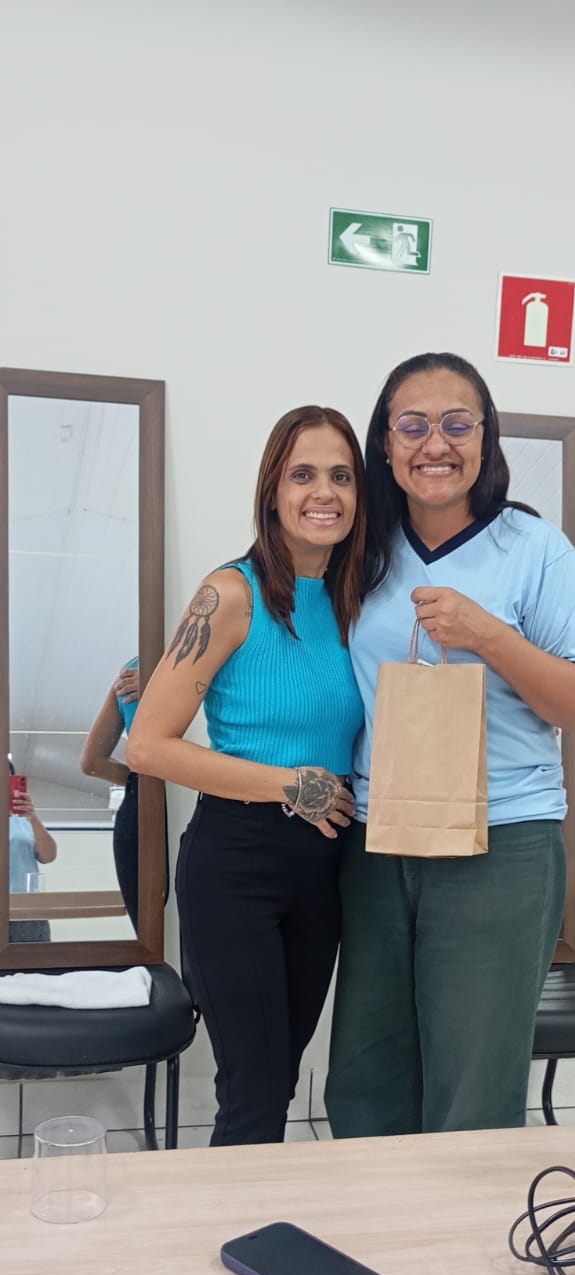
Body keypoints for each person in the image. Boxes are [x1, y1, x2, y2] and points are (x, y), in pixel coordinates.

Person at [325, 351, 575, 1138]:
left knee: (473, 1090)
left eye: (457, 424)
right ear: (384, 442)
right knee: (366, 1076)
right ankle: (376, 1214)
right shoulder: (360, 548)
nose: (435, 444)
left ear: (486, 439)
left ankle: (459, 1222)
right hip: (378, 837)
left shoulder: (534, 549)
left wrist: (487, 634)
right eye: (412, 425)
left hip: (502, 838)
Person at [127, 405, 366, 1145]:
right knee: (252, 1095)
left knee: (279, 1080)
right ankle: (224, 1218)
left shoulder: (360, 603)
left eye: (340, 476)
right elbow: (148, 746)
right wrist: (292, 785)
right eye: (302, 475)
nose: (322, 493)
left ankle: (255, 1211)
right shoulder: (230, 594)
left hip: (325, 867)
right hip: (238, 859)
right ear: (272, 491)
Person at [81, 659, 140, 930]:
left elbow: (92, 762)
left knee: (150, 927)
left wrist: (138, 780)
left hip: (138, 807)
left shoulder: (133, 670)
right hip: (203, 800)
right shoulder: (211, 658)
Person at [8, 760, 57, 943]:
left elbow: (49, 855)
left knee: (35, 958)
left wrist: (33, 817)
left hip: (28, 909)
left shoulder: (23, 820)